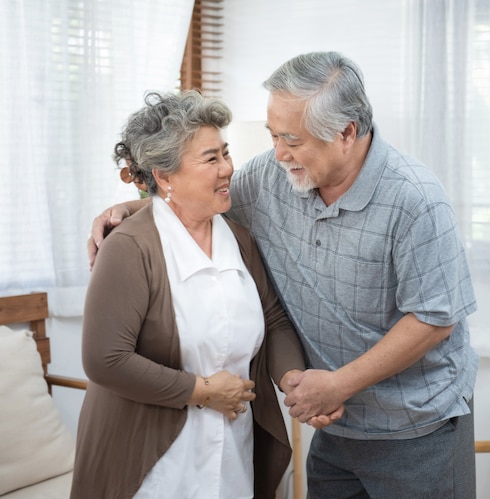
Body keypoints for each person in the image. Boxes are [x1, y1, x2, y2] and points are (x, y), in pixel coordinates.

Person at [89, 52, 480, 498]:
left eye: (292, 139)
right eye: (274, 136)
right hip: (336, 428)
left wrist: (337, 384)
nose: (278, 153)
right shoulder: (274, 177)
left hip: (416, 428)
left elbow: (435, 318)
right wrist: (126, 209)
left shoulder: (415, 201)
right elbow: (198, 197)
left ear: (346, 133)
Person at [72, 90, 311, 499]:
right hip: (154, 462)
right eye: (211, 158)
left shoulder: (238, 238)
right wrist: (202, 391)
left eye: (226, 152)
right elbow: (105, 360)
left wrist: (293, 379)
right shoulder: (129, 247)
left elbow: (273, 321)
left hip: (233, 451)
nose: (228, 168)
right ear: (165, 176)